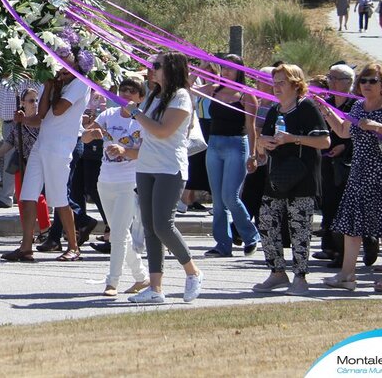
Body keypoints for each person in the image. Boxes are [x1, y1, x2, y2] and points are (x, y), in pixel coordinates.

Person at [322, 63, 382, 292]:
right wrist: (324, 110)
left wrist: (377, 127)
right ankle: (346, 276)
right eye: (363, 81)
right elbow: (344, 131)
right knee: (352, 228)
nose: (366, 85)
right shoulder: (358, 108)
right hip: (360, 175)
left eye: (373, 81)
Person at [126, 51, 204, 304]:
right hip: (146, 165)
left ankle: (192, 272)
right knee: (149, 228)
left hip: (170, 168)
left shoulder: (181, 97)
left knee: (163, 225)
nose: (152, 69)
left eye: (157, 65)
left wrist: (136, 113)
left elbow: (163, 131)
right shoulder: (155, 96)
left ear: (170, 69)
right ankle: (156, 288)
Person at [2, 59, 91, 263]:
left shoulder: (80, 83)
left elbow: (59, 110)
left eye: (65, 64)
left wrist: (56, 86)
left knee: (59, 198)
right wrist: (23, 118)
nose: (60, 68)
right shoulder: (53, 83)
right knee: (27, 195)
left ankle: (73, 247)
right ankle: (25, 247)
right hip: (41, 145)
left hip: (59, 148)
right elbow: (42, 115)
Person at [252, 64, 330, 295]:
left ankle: (300, 276)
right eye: (274, 83)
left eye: (281, 83)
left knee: (299, 227)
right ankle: (277, 271)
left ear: (296, 84)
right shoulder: (275, 110)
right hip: (277, 176)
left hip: (302, 177)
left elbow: (324, 142)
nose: (276, 87)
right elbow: (263, 140)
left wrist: (292, 139)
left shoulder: (306, 107)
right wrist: (261, 145)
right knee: (266, 221)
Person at [85, 77, 149, 297]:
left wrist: (125, 152)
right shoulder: (108, 115)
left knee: (118, 235)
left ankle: (112, 282)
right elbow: (84, 137)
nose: (127, 95)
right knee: (121, 234)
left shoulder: (143, 121)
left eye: (133, 91)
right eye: (124, 90)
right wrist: (91, 133)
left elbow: (146, 154)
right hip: (105, 182)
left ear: (141, 98)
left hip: (128, 183)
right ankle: (141, 277)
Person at [202, 54, 261, 257]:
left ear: (239, 71)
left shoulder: (246, 95)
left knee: (230, 196)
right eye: (224, 68)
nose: (227, 72)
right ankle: (222, 244)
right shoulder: (214, 89)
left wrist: (253, 155)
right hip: (214, 143)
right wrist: (199, 67)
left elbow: (251, 128)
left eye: (231, 68)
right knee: (217, 200)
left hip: (236, 144)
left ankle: (250, 235)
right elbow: (186, 88)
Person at [0, 87, 51, 234]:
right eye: (31, 100)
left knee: (37, 196)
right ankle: (28, 232)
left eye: (37, 100)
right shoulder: (18, 121)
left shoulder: (42, 120)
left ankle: (45, 228)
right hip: (21, 163)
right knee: (21, 198)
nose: (35, 103)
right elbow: (10, 141)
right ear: (23, 103)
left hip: (37, 164)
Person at [316, 64, 356, 267]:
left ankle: (346, 251)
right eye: (330, 78)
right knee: (329, 202)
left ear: (349, 83)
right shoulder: (326, 103)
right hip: (326, 159)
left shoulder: (355, 105)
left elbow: (356, 133)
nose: (332, 82)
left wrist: (343, 146)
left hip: (350, 161)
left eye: (337, 78)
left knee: (345, 204)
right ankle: (329, 247)